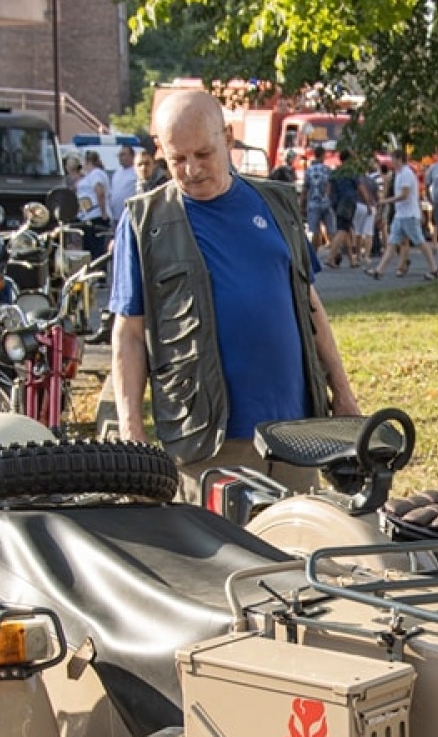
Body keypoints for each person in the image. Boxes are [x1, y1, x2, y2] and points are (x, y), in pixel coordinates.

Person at [109, 90, 359, 496]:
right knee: (231, 559)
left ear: (227, 136)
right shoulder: (145, 222)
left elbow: (309, 306)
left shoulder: (276, 203)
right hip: (210, 439)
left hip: (296, 432)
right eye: (177, 159)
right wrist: (132, 432)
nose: (190, 169)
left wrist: (342, 394)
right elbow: (129, 335)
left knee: (301, 550)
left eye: (203, 154)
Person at [368, 148, 438, 280]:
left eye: (393, 159)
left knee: (420, 242)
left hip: (409, 215)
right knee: (392, 242)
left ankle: (434, 268)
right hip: (400, 215)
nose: (392, 162)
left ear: (399, 159)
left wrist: (386, 201)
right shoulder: (399, 174)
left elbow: (405, 195)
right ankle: (379, 270)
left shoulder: (406, 174)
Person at [75, 149, 111, 258]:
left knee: (96, 250)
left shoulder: (96, 173)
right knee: (89, 249)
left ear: (87, 162)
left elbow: (99, 192)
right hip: (86, 216)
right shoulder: (90, 175)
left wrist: (103, 213)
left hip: (95, 216)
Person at [302, 145, 335, 252]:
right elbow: (330, 186)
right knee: (330, 229)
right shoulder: (327, 170)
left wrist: (302, 204)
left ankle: (314, 254)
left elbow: (305, 188)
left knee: (314, 230)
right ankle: (334, 255)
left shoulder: (308, 170)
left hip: (313, 203)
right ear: (322, 155)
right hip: (326, 202)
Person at [108, 143, 138, 225]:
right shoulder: (117, 172)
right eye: (119, 155)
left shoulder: (136, 171)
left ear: (132, 156)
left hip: (130, 215)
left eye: (123, 155)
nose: (120, 157)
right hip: (116, 216)